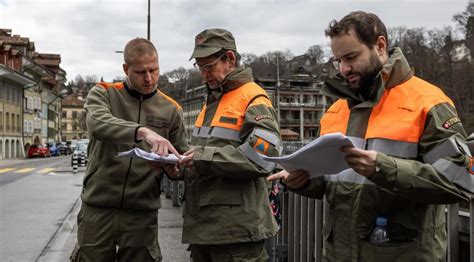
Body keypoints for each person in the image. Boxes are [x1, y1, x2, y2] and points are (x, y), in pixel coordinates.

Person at [268, 11, 473, 261]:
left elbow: (460, 182)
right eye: (338, 60)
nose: (344, 69)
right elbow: (334, 183)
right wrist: (303, 180)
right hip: (338, 254)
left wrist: (382, 166)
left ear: (380, 45)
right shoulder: (336, 110)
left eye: (351, 57)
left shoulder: (428, 102)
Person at [70, 38, 189, 262]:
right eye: (140, 72)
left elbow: (181, 157)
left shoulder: (171, 109)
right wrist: (143, 132)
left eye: (154, 70)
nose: (149, 78)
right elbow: (98, 123)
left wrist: (173, 170)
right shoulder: (104, 93)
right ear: (126, 69)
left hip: (141, 213)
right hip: (98, 208)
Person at [179, 28, 282, 261]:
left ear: (230, 59)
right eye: (200, 67)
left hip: (236, 234)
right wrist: (180, 166)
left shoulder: (254, 98)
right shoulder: (212, 103)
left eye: (209, 66)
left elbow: (263, 157)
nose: (204, 75)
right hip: (206, 229)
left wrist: (202, 158)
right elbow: (206, 158)